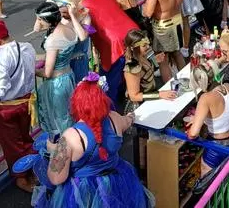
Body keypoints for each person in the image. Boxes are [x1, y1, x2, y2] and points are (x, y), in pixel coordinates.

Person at [40, 74, 154, 207]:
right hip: (117, 183)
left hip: (84, 194)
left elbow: (56, 178)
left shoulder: (70, 137)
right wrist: (131, 116)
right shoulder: (114, 118)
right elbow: (128, 121)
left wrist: (52, 150)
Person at [0, 20, 37, 193]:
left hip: (6, 109)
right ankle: (33, 171)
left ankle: (22, 177)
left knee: (13, 146)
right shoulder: (27, 48)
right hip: (25, 103)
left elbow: (0, 87)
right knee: (25, 139)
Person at [34, 2, 83, 140]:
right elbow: (59, 54)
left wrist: (31, 70)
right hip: (68, 76)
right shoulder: (69, 28)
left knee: (60, 119)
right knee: (69, 114)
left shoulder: (52, 40)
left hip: (56, 84)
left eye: (40, 19)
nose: (38, 23)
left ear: (48, 20)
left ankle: (68, 146)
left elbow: (47, 73)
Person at [186, 61, 229, 176]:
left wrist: (192, 127)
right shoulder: (228, 86)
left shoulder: (205, 98)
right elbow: (225, 113)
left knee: (208, 181)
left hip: (218, 147)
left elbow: (193, 134)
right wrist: (200, 118)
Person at [142, 0, 189, 82]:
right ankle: (186, 82)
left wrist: (145, 7)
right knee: (177, 53)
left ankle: (170, 89)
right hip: (177, 21)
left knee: (162, 59)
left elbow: (148, 12)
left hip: (162, 27)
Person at [122, 29, 173, 113]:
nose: (148, 47)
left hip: (152, 97)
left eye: (148, 43)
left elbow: (145, 70)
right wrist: (159, 94)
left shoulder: (141, 55)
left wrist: (155, 60)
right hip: (141, 107)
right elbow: (134, 96)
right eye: (144, 45)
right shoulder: (132, 69)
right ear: (133, 47)